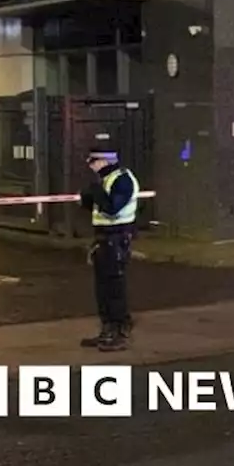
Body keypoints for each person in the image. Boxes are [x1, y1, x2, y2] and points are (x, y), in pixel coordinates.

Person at [78, 148, 140, 352]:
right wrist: (88, 198)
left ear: (105, 161)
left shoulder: (122, 180)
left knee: (114, 288)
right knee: (102, 289)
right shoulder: (107, 179)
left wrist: (96, 192)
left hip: (116, 239)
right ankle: (107, 329)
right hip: (103, 240)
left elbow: (113, 209)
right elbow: (99, 209)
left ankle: (120, 331)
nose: (90, 164)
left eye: (93, 160)